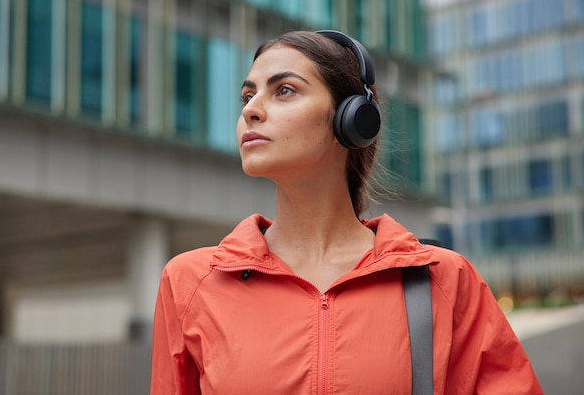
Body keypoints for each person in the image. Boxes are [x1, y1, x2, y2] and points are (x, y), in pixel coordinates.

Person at [149, 30, 543, 394]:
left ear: (352, 119)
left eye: (284, 90)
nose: (251, 109)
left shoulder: (444, 280)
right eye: (247, 96)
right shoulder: (190, 283)